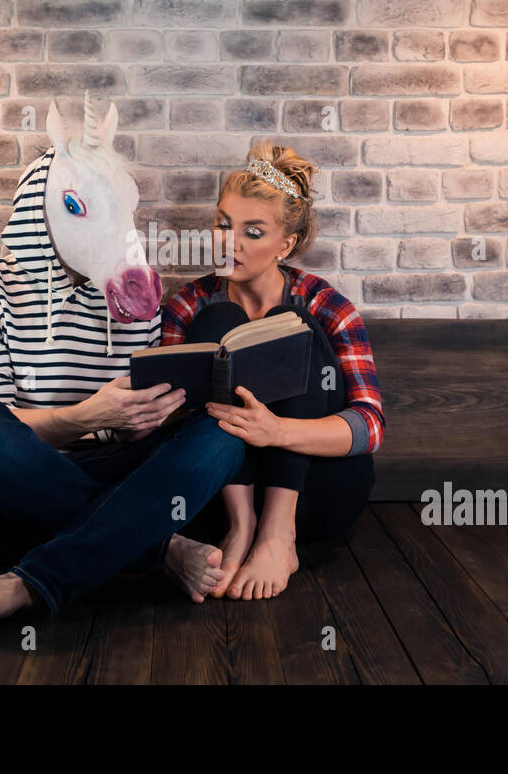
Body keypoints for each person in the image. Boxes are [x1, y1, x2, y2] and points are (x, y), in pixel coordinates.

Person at [0, 145, 246, 644]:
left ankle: (22, 588)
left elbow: (142, 423)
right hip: (10, 497)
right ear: (42, 212)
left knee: (222, 434)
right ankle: (157, 548)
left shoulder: (134, 299)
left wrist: (148, 417)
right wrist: (85, 416)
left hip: (111, 473)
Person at [160, 143, 385, 600]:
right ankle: (242, 528)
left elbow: (370, 426)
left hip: (312, 498)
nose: (230, 242)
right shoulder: (188, 304)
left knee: (294, 328)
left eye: (253, 232)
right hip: (212, 501)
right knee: (218, 323)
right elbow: (168, 419)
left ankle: (277, 536)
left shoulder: (328, 306)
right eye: (223, 224)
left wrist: (275, 430)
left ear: (286, 244)